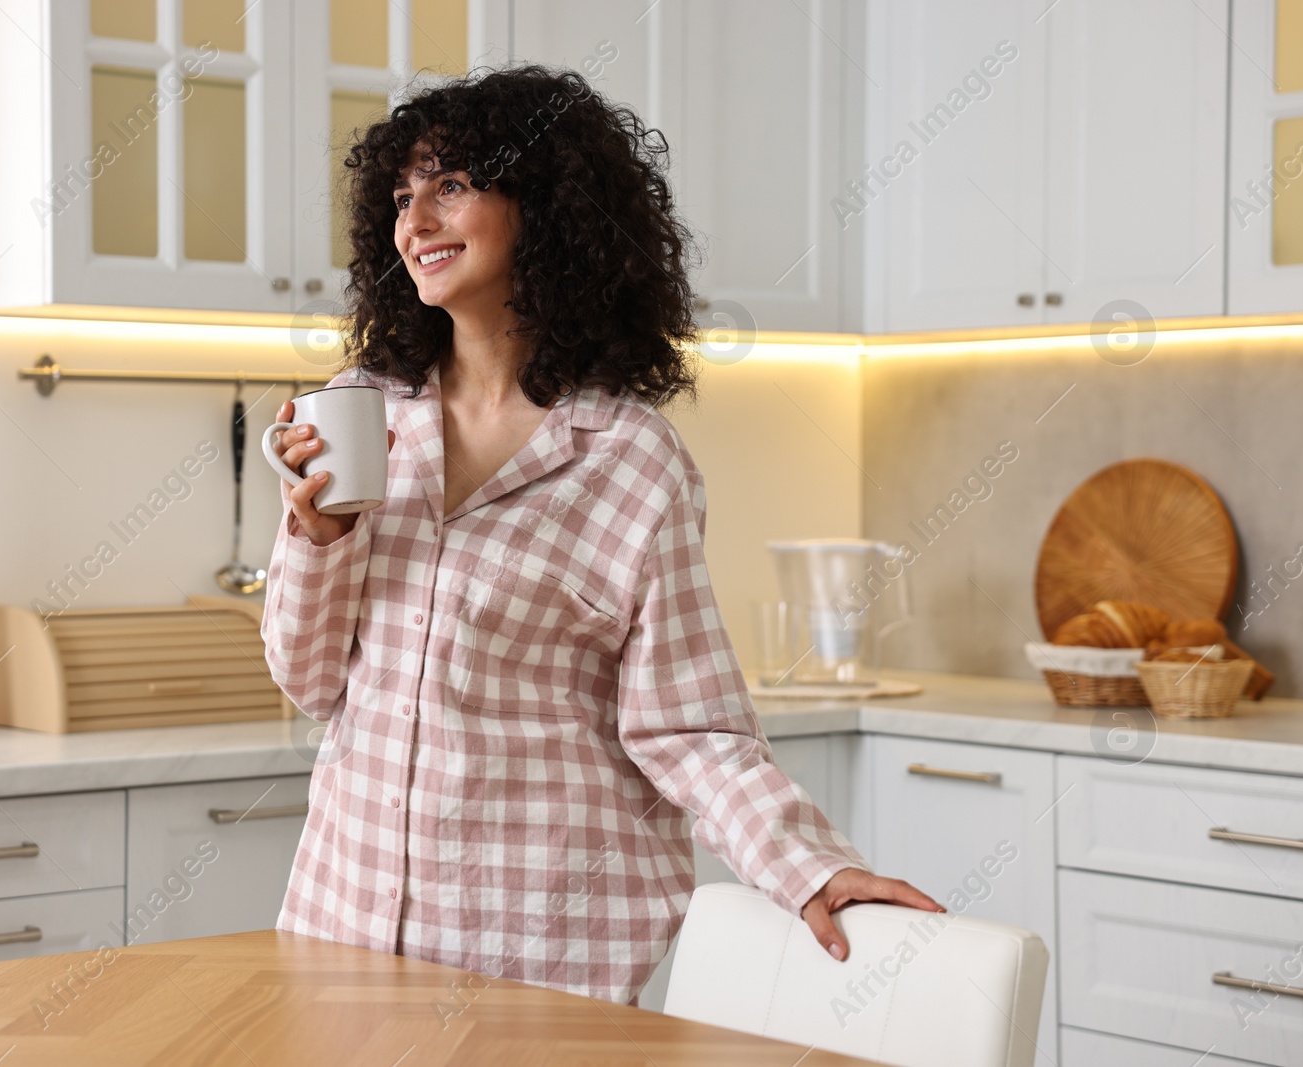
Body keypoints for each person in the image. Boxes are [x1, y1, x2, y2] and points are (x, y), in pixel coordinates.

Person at [260, 64, 942, 1006]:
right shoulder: (361, 417)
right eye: (402, 197)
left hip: (541, 952)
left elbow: (690, 725)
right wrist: (319, 537)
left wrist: (810, 867)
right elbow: (309, 681)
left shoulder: (627, 459)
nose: (414, 222)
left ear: (545, 207)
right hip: (344, 930)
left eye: (451, 186)